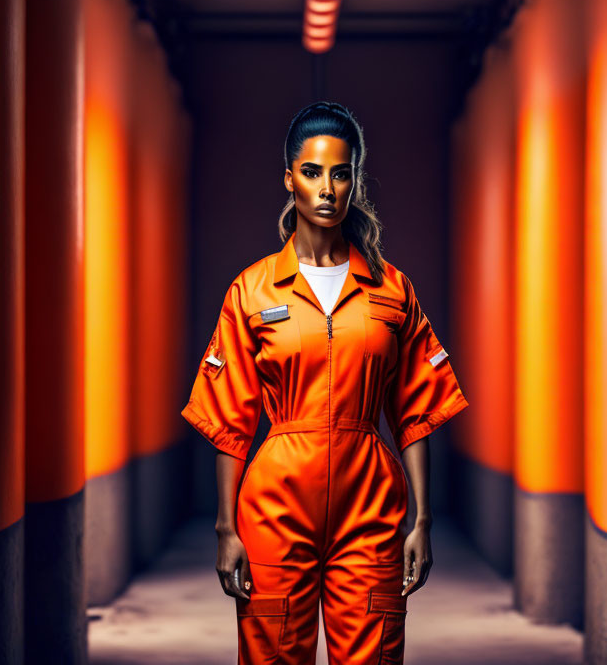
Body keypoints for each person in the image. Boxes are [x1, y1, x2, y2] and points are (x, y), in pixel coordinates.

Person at [181, 101, 469, 664]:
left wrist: (423, 520)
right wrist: (225, 528)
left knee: (374, 653)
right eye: (312, 172)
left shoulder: (390, 289)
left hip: (370, 505)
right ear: (289, 178)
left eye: (341, 173)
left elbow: (415, 412)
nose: (328, 188)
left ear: (355, 180)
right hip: (274, 506)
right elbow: (229, 420)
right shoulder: (254, 290)